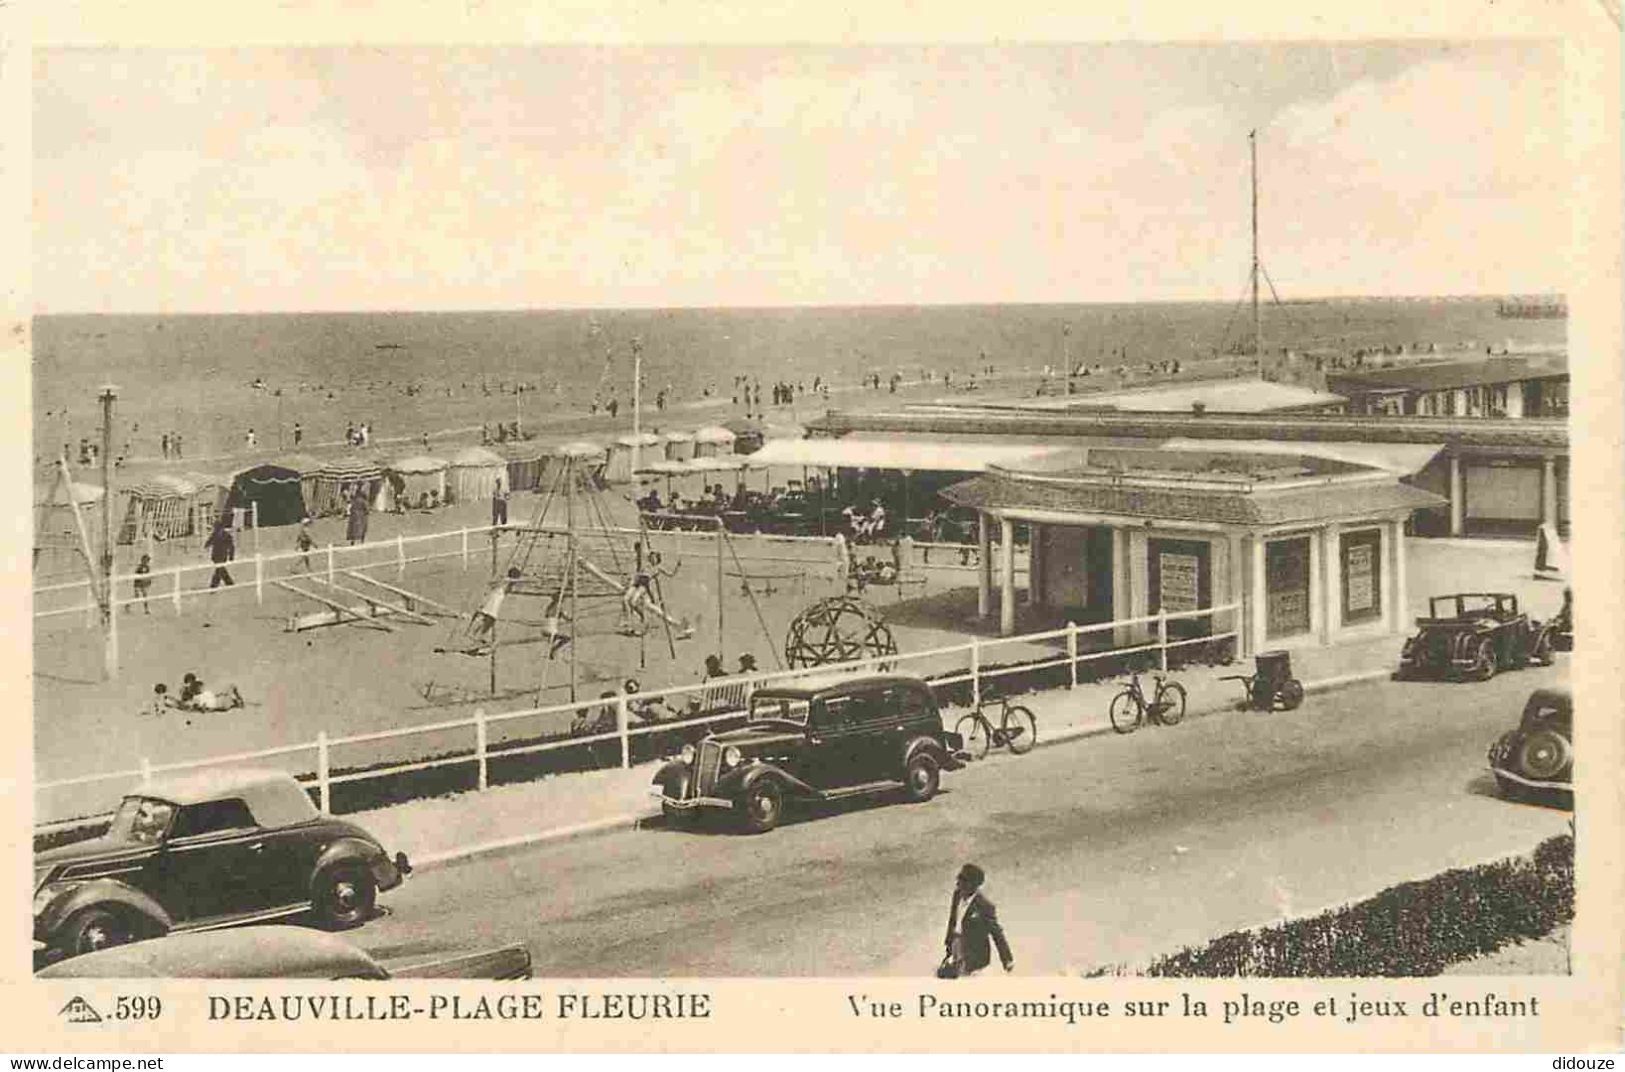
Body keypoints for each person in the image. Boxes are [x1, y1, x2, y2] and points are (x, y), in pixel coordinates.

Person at [940, 863, 1013, 978]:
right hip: (957, 944)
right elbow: (952, 920)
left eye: (962, 880)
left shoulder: (984, 906)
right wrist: (949, 942)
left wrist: (1007, 959)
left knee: (966, 980)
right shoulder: (957, 895)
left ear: (973, 885)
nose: (958, 883)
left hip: (974, 953)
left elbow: (997, 933)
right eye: (959, 878)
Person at [469, 567, 522, 646]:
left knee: (489, 620)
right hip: (493, 600)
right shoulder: (506, 581)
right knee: (487, 617)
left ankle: (478, 635)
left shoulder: (509, 583)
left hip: (496, 601)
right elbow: (496, 583)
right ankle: (474, 634)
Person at [204, 522, 235, 588]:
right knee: (220, 569)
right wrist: (206, 545)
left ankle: (215, 584)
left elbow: (231, 547)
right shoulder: (214, 535)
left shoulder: (227, 536)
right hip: (215, 556)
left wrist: (231, 556)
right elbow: (209, 542)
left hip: (223, 555)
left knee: (219, 569)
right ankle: (228, 582)